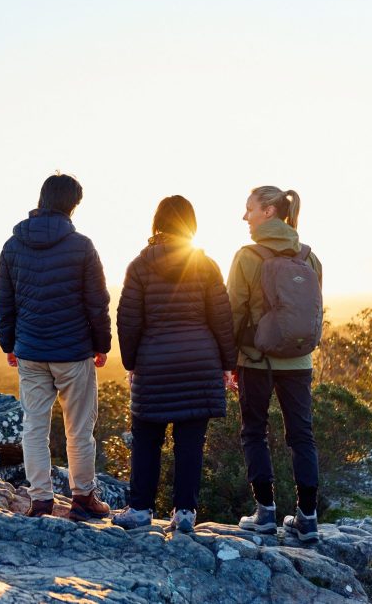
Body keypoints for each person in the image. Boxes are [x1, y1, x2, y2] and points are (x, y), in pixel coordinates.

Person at [112, 196, 237, 532]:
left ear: (158, 223)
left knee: (147, 437)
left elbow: (128, 320)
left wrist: (131, 362)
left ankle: (139, 510)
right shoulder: (205, 264)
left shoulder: (139, 265)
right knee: (190, 443)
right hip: (200, 361)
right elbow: (222, 318)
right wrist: (228, 363)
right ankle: (184, 513)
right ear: (190, 226)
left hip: (153, 362)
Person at [0, 173, 113, 521]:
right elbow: (97, 302)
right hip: (74, 352)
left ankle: (41, 500)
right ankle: (82, 499)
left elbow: (4, 301)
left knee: (33, 426)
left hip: (30, 350)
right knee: (79, 429)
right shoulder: (82, 246)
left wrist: (9, 343)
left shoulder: (13, 245)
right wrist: (101, 344)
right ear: (72, 205)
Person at [228, 186, 323, 542]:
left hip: (256, 360)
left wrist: (229, 359)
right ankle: (308, 518)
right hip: (299, 362)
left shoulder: (247, 256)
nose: (244, 216)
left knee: (254, 431)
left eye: (249, 208)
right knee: (302, 436)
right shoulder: (310, 257)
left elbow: (233, 313)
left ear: (268, 211)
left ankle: (265, 513)